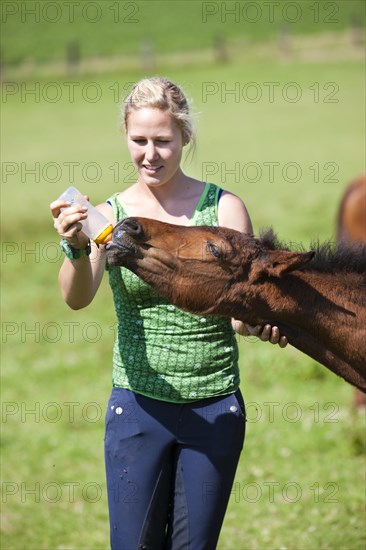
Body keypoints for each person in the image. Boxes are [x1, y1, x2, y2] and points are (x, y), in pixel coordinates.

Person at [50, 77, 287, 550]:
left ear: (185, 138)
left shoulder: (223, 208)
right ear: (126, 137)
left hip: (215, 406)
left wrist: (262, 323)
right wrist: (76, 249)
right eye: (139, 141)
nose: (150, 154)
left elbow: (240, 313)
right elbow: (77, 298)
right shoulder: (108, 216)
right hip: (137, 408)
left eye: (163, 141)